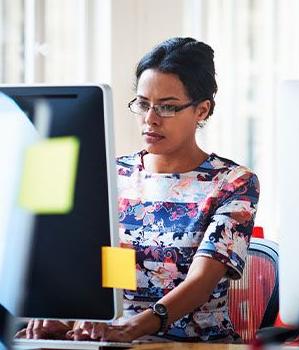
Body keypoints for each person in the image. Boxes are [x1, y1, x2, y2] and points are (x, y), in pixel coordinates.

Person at [16, 37, 259, 343]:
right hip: (118, 341)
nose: (150, 119)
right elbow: (111, 272)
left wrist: (135, 327)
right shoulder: (114, 174)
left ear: (202, 110)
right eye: (143, 104)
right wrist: (67, 320)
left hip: (196, 345)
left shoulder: (234, 182)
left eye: (167, 107)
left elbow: (201, 282)